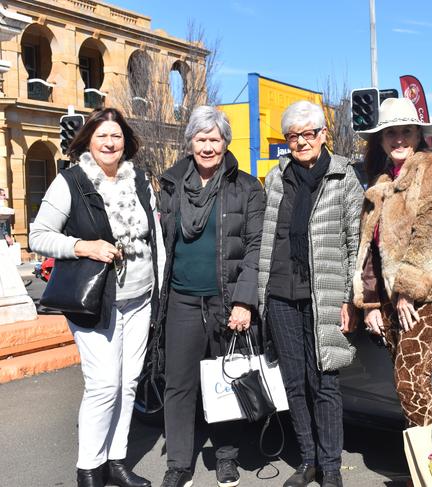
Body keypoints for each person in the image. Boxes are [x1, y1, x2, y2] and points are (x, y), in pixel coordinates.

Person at [29, 108, 164, 487]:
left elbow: (155, 237)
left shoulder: (139, 180)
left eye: (117, 136)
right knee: (104, 384)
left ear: (126, 142)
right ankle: (89, 469)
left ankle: (116, 462)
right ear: (88, 139)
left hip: (140, 297)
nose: (110, 142)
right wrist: (83, 246)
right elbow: (38, 235)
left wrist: (159, 289)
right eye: (102, 135)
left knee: (129, 382)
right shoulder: (71, 181)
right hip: (96, 301)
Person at [157, 106, 265, 487]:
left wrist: (244, 301)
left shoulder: (247, 187)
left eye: (214, 139)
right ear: (190, 142)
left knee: (226, 380)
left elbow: (255, 248)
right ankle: (179, 464)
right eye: (201, 139)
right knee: (179, 383)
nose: (207, 146)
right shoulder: (170, 184)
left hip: (226, 300)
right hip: (181, 299)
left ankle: (226, 456)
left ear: (225, 143)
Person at [257, 101, 363, 487]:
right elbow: (266, 237)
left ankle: (331, 467)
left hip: (327, 295)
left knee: (325, 382)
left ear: (323, 135)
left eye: (307, 134)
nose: (300, 142)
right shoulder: (275, 178)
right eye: (292, 136)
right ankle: (308, 460)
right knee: (294, 382)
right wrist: (259, 294)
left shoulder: (343, 177)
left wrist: (352, 298)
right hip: (281, 294)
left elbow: (356, 242)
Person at [353, 98, 432, 430]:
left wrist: (407, 291)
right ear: (381, 140)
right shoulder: (381, 183)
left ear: (418, 136)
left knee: (409, 382)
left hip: (428, 294)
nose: (398, 139)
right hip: (394, 299)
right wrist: (370, 304)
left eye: (406, 132)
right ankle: (426, 469)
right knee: (407, 387)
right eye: (391, 134)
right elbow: (371, 249)